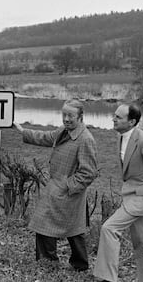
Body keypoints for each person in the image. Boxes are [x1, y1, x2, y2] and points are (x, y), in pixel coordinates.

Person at [87, 103, 143, 282]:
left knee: (109, 228)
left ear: (132, 121)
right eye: (114, 115)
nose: (113, 119)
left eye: (118, 117)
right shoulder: (122, 137)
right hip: (131, 195)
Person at [13, 99, 98, 271]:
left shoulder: (85, 139)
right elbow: (47, 137)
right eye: (64, 115)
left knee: (68, 227)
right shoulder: (64, 131)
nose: (66, 119)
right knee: (65, 227)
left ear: (80, 117)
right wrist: (23, 131)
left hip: (68, 192)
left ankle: (61, 264)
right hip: (57, 189)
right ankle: (59, 263)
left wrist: (67, 186)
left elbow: (88, 172)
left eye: (71, 116)